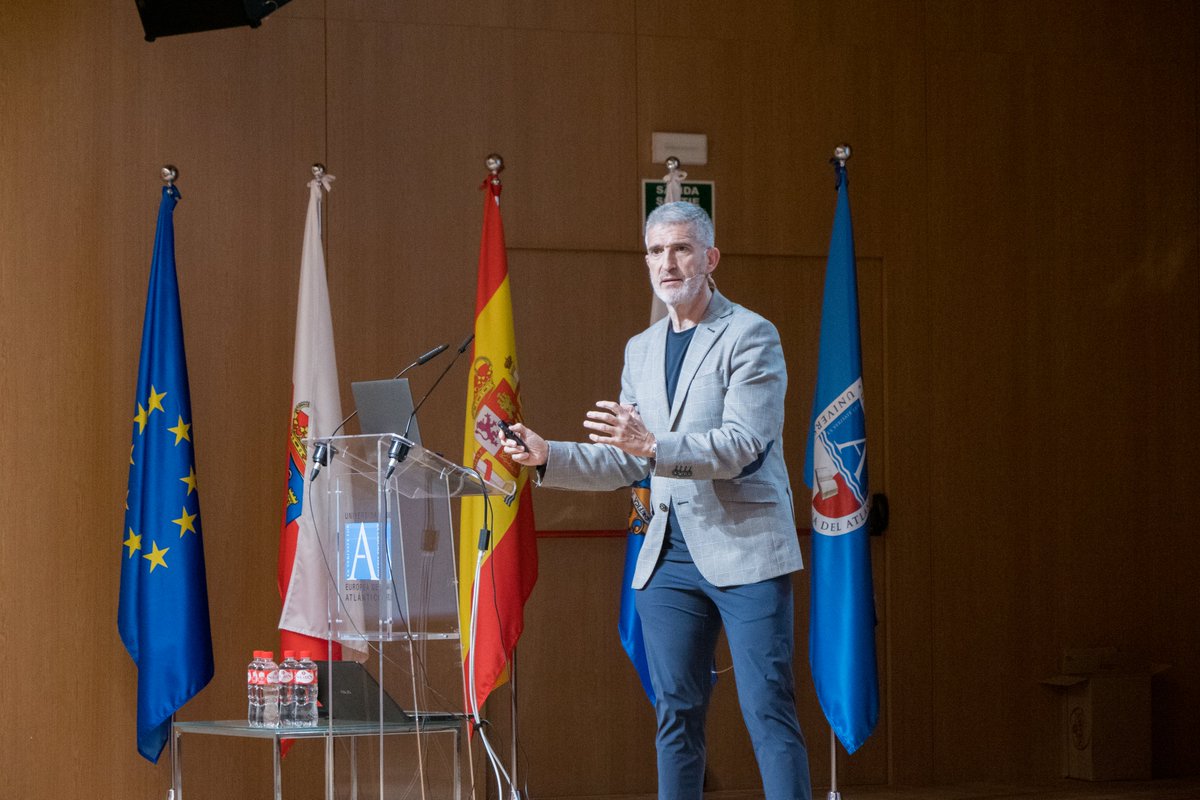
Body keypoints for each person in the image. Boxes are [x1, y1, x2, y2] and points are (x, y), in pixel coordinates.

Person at [504, 202, 811, 800]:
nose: (667, 263)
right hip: (667, 558)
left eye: (681, 249)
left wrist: (652, 445)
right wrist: (548, 456)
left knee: (768, 710)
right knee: (675, 713)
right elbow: (630, 460)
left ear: (710, 258)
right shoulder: (641, 349)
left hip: (745, 550)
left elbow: (742, 445)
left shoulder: (750, 334)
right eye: (655, 251)